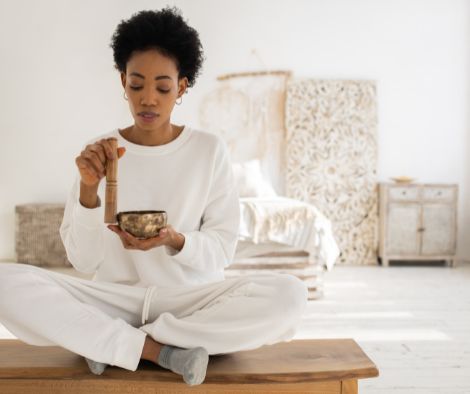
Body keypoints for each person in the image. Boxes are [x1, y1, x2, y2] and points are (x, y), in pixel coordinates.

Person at [0, 7, 307, 386]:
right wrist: (87, 190)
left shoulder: (208, 151)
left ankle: (114, 345)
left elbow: (223, 249)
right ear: (122, 81)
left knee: (290, 296)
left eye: (162, 87)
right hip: (115, 301)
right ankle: (157, 352)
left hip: (189, 304)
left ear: (181, 86)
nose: (147, 99)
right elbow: (83, 259)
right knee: (4, 282)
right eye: (136, 85)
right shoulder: (100, 152)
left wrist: (176, 241)